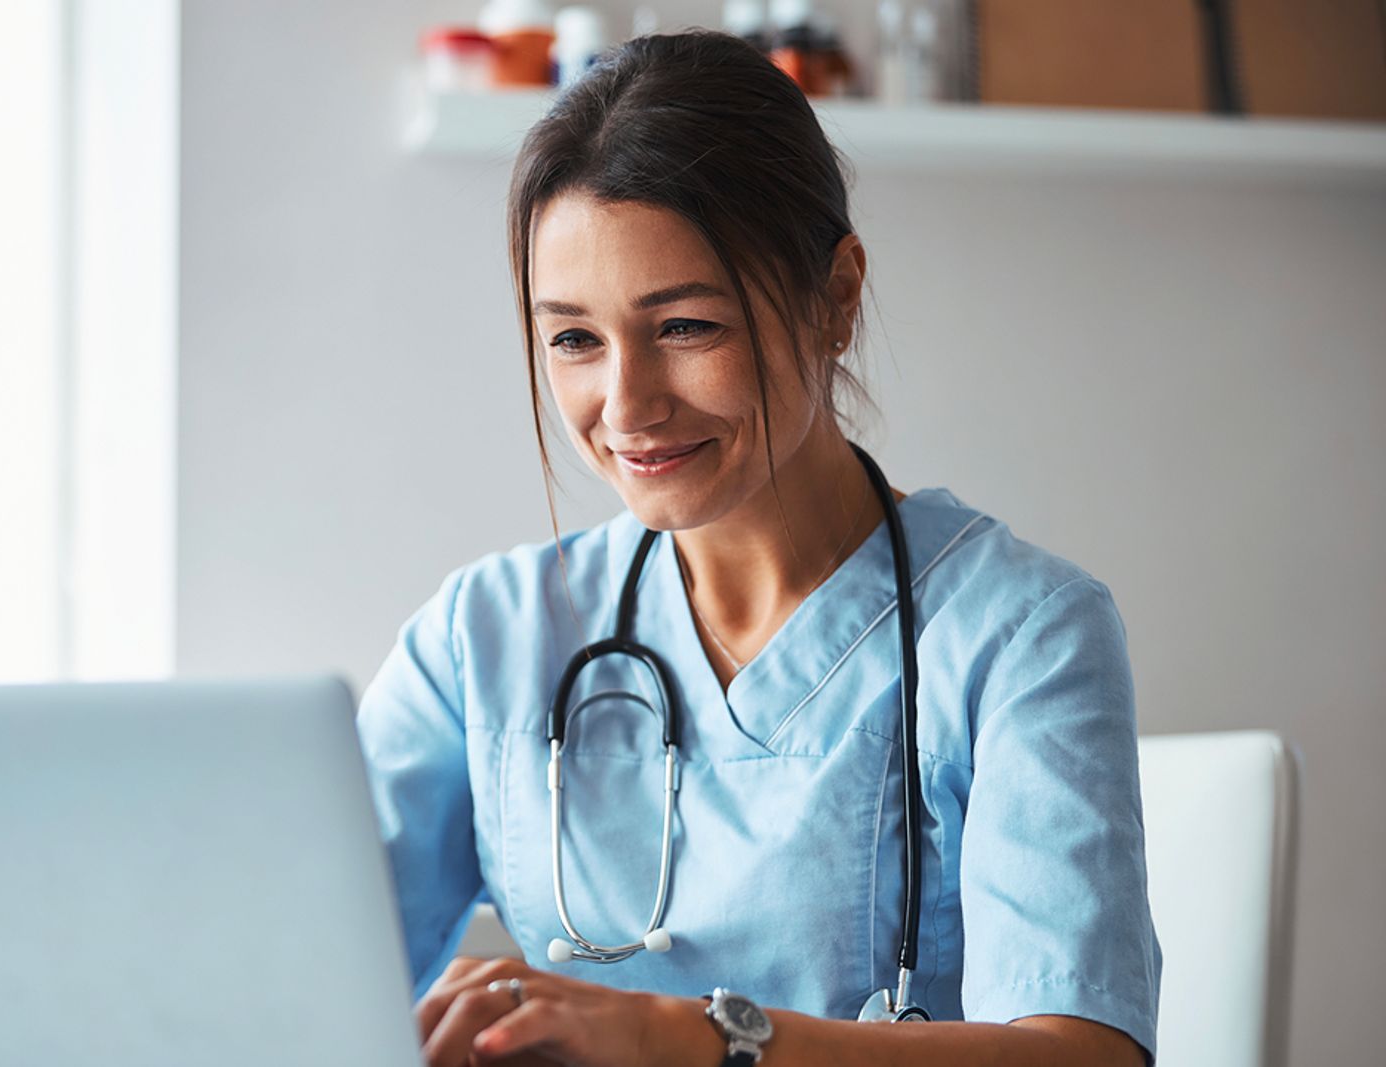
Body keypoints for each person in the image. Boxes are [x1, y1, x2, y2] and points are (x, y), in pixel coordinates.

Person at [356, 29, 1162, 1067]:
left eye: (686, 326)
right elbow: (289, 966)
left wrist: (689, 1034)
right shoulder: (486, 637)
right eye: (573, 339)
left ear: (835, 298)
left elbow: (1081, 1055)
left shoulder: (1021, 633)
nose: (627, 403)